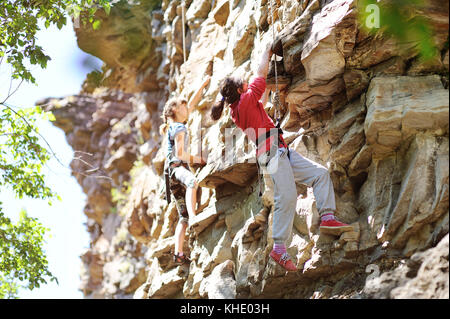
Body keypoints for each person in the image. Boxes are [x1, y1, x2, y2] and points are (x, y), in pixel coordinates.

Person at [210, 45, 353, 272]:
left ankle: (327, 217)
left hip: (279, 150)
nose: (247, 83)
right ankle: (278, 247)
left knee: (320, 174)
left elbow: (262, 95)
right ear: (239, 91)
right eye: (243, 83)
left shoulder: (242, 107)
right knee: (286, 196)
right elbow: (260, 74)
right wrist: (267, 52)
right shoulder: (245, 102)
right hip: (271, 152)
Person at [161, 76, 210, 265]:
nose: (187, 108)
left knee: (182, 216)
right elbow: (181, 154)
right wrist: (200, 160)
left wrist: (203, 84)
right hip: (177, 169)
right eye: (182, 106)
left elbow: (191, 104)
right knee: (192, 182)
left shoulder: (172, 125)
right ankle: (195, 218)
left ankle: (178, 253)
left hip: (170, 176)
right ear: (175, 110)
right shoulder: (179, 127)